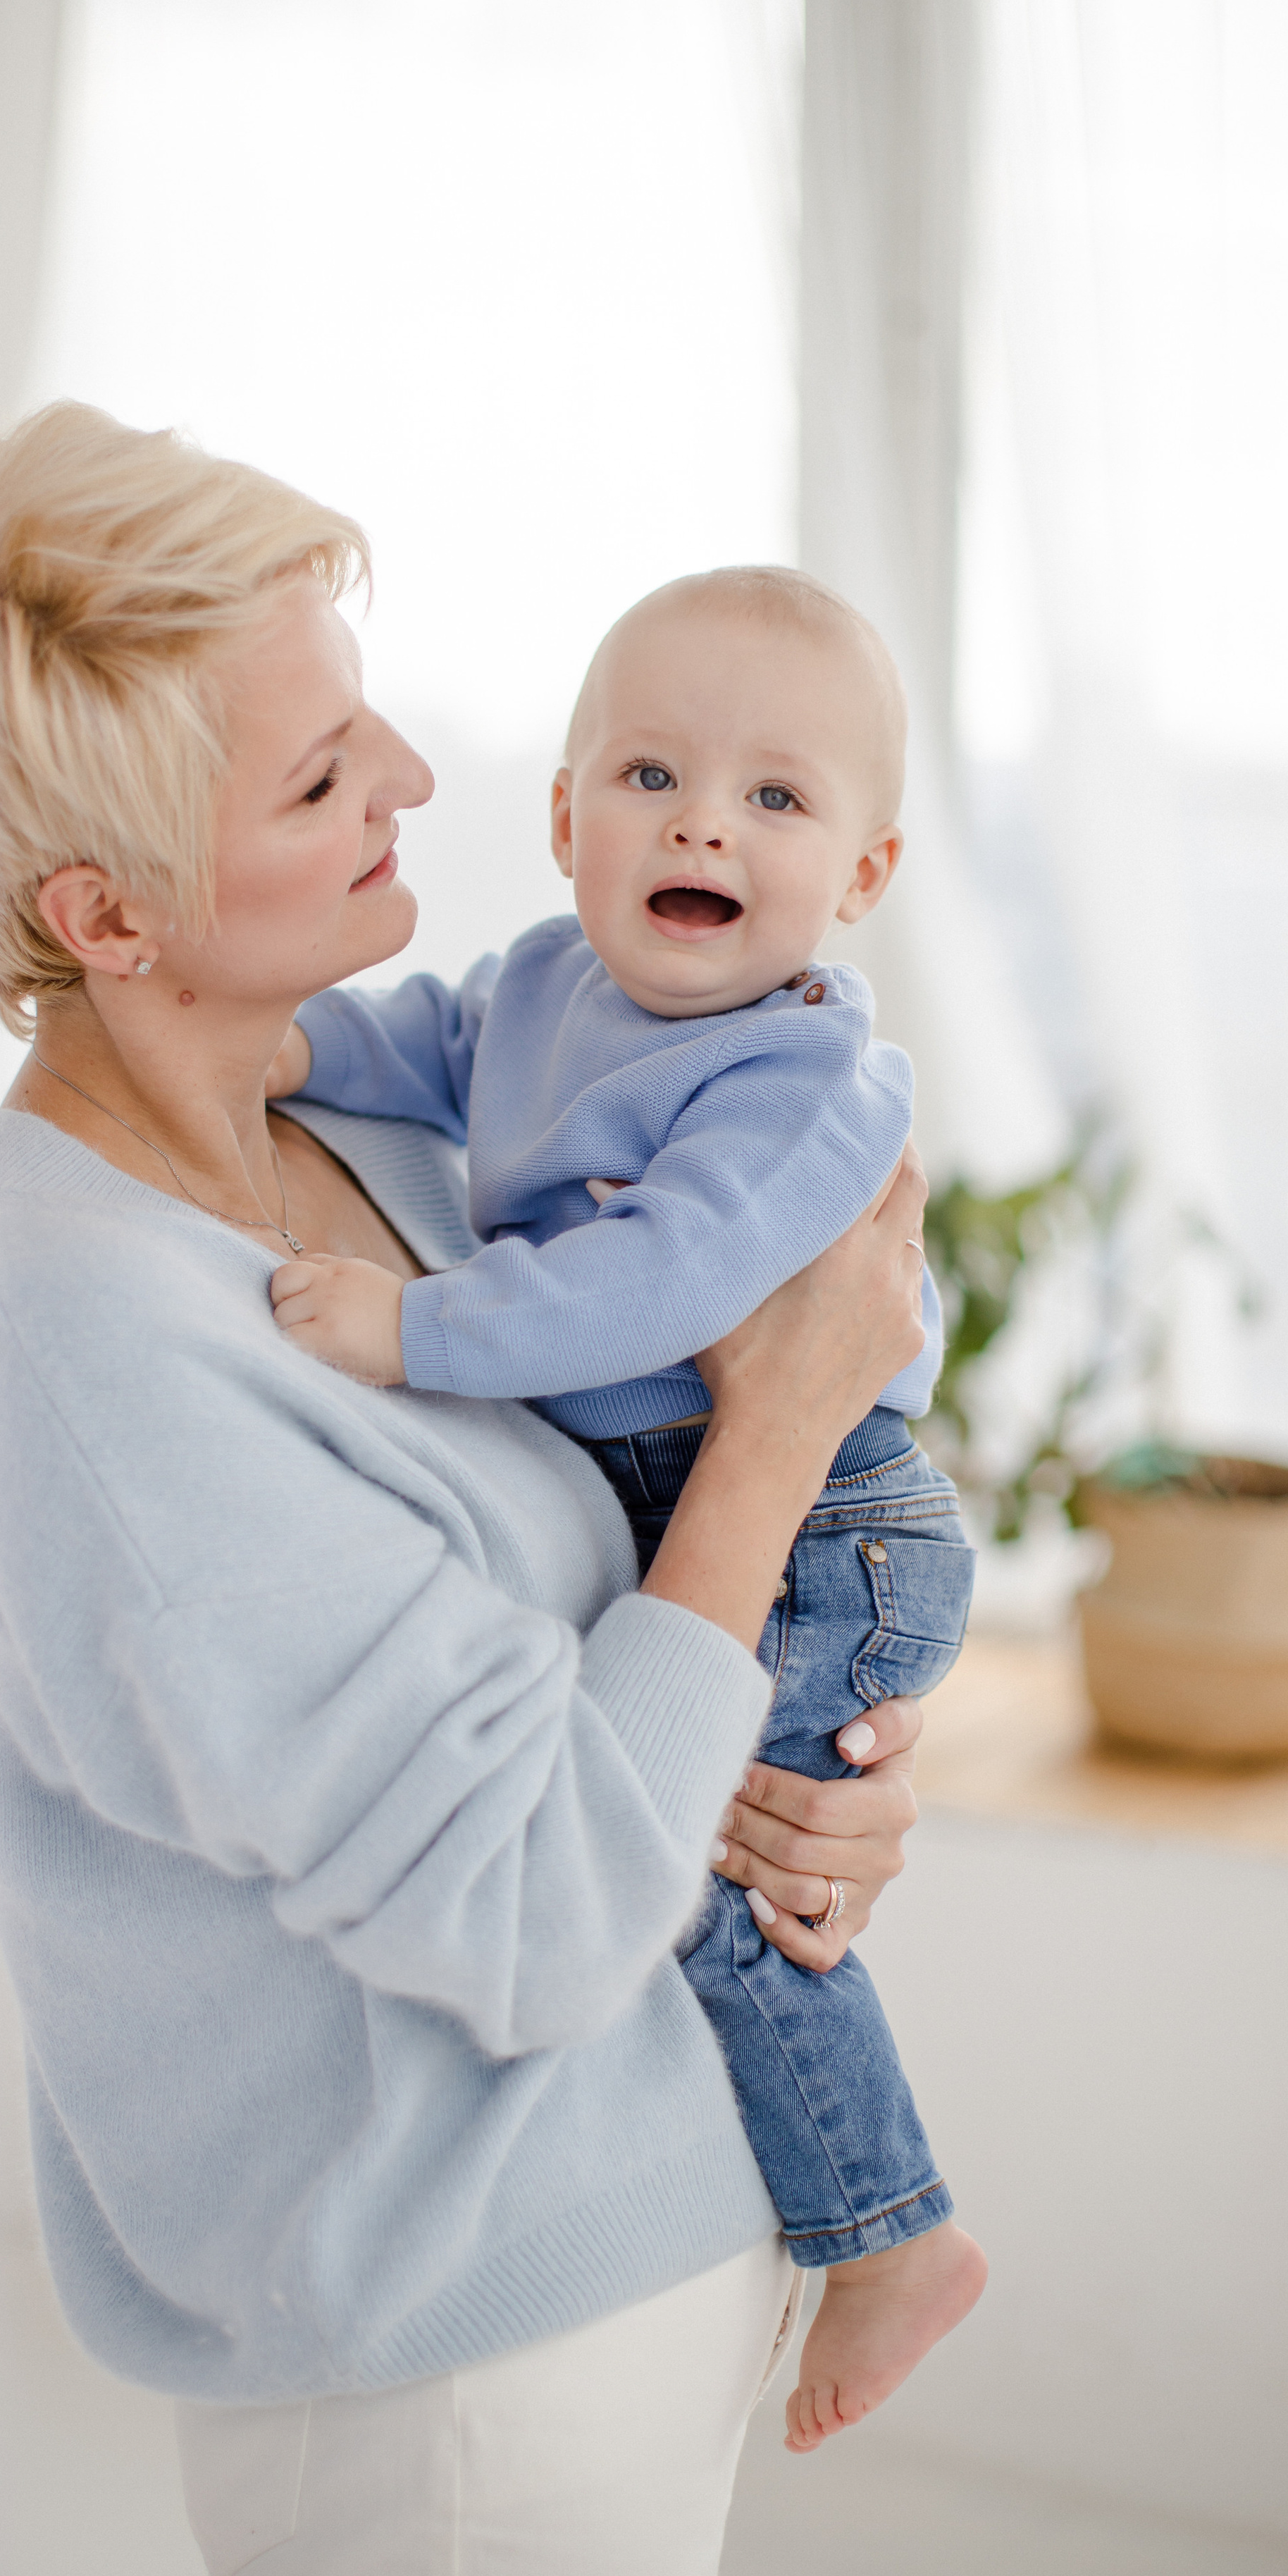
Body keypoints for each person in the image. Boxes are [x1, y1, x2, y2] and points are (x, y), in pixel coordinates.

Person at [0, 402, 939, 2576]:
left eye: (366, 717)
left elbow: (590, 1663)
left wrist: (797, 1784)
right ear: (104, 910)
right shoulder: (76, 1343)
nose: (417, 784)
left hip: (630, 2245)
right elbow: (548, 1906)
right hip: (464, 2383)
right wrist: (772, 1445)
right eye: (315, 770)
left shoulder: (366, 1130)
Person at [265, 569, 988, 2453]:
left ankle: (889, 2232)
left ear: (867, 871)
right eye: (655, 773)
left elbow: (657, 1289)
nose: (703, 823)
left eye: (776, 798)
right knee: (691, 1841)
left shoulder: (803, 1073)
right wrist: (283, 1046)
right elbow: (419, 1042)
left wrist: (417, 1330)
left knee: (726, 1880)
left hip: (829, 1513)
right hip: (701, 1484)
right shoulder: (546, 987)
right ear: (570, 818)